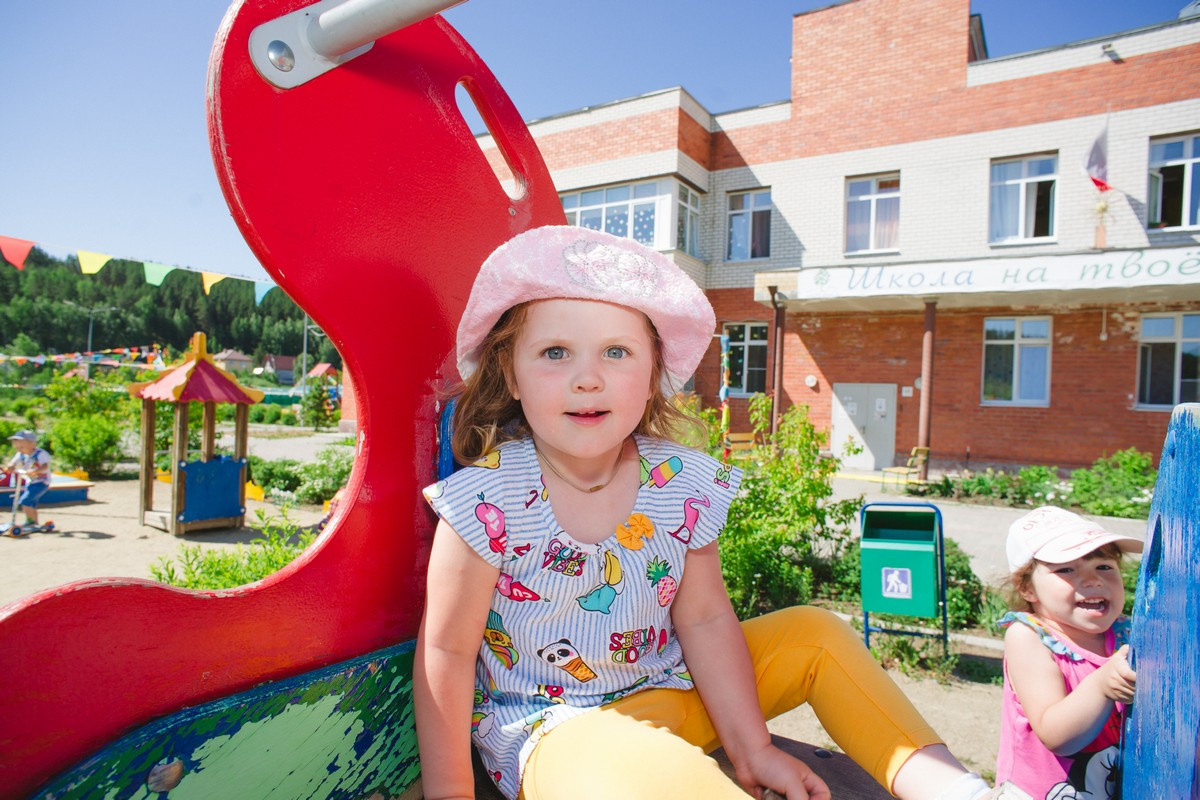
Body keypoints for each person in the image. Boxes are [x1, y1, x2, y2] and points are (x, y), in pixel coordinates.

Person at [415, 226, 1017, 800]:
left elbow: (703, 620)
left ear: (653, 375)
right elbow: (446, 651)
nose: (588, 379)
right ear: (511, 376)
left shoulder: (679, 483)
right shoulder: (487, 499)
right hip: (559, 734)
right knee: (651, 770)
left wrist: (753, 747)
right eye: (554, 352)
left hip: (677, 694)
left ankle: (952, 788)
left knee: (817, 633)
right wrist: (448, 790)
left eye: (616, 352)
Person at [996, 506, 1143, 799]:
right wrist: (1102, 686)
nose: (1093, 580)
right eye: (1066, 569)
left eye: (1104, 566)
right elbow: (1057, 736)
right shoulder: (1029, 637)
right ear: (1027, 589)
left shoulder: (1128, 633)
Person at [4, 430, 53, 534]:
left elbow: (45, 466)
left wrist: (35, 471)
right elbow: (12, 463)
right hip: (30, 482)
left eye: (22, 447)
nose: (19, 450)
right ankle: (34, 522)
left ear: (32, 444)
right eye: (17, 448)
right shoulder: (20, 454)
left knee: (25, 500)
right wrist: (10, 467)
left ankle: (30, 521)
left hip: (41, 482)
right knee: (31, 503)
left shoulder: (40, 454)